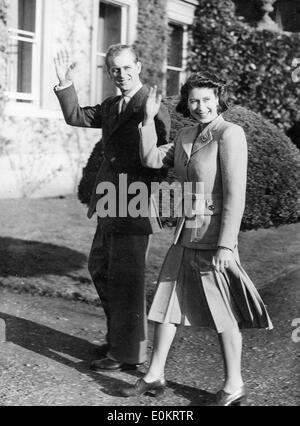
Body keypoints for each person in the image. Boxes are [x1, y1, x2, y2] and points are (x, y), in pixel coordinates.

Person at [120, 73, 273, 405]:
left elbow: (236, 195)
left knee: (223, 311)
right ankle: (154, 375)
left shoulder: (230, 134)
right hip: (184, 233)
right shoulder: (186, 134)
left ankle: (234, 385)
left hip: (213, 238)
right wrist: (147, 119)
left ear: (218, 100)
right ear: (186, 104)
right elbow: (150, 159)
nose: (200, 106)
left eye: (206, 99)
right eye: (193, 100)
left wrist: (226, 245)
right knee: (166, 304)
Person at [54, 45, 171, 371]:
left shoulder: (151, 105)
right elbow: (76, 116)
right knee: (101, 269)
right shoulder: (111, 105)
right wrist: (65, 84)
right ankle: (120, 338)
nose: (122, 74)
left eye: (127, 67)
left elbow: (159, 163)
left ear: (139, 65)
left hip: (134, 201)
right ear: (109, 72)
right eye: (115, 69)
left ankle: (129, 355)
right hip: (109, 200)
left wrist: (148, 120)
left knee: (128, 280)